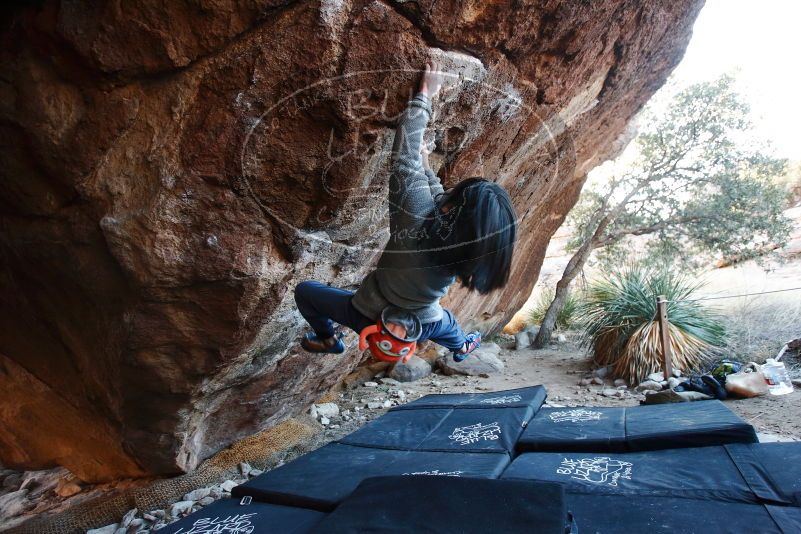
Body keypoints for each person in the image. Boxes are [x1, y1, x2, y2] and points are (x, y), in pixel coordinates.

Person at [295, 60, 517, 361]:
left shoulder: (414, 223)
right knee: (450, 328)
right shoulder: (464, 250)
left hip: (367, 313)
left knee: (306, 293)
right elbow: (439, 200)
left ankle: (327, 337)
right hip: (425, 324)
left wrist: (424, 95)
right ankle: (462, 347)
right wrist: (427, 163)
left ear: (453, 211)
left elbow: (404, 157)